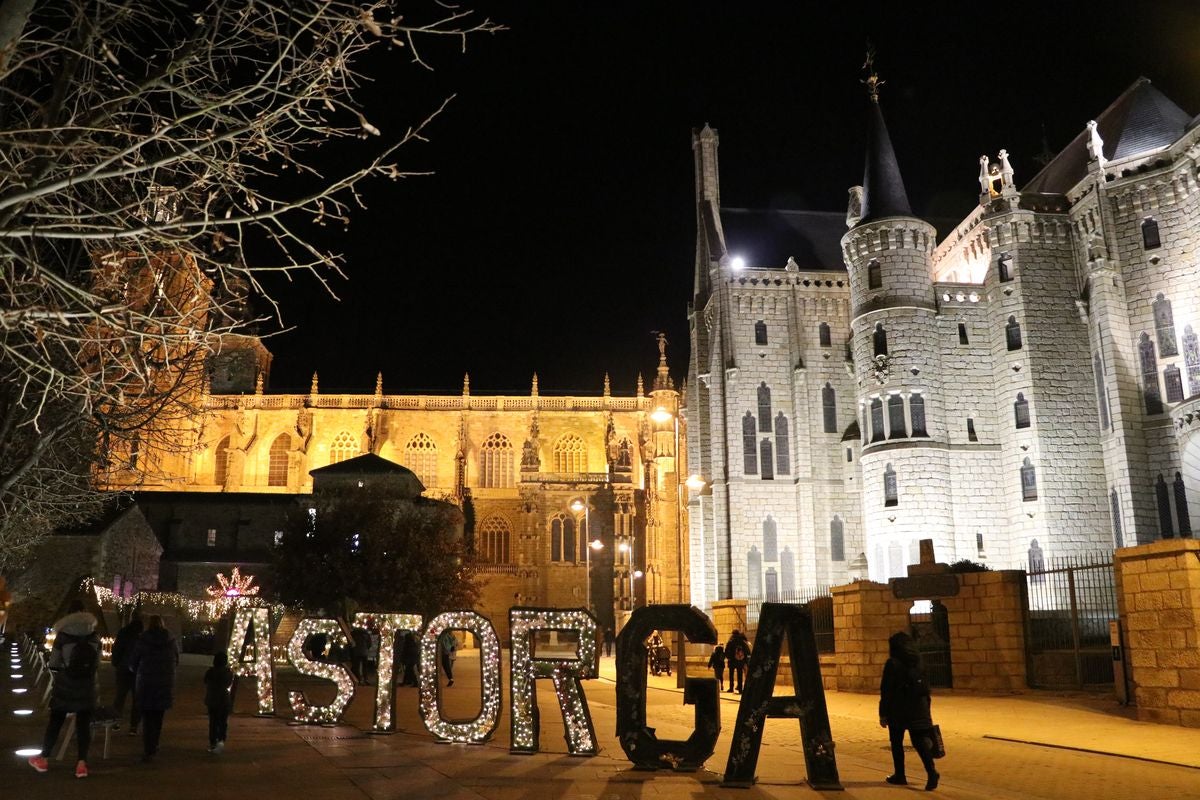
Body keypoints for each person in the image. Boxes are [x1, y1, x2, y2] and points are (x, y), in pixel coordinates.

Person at [28, 600, 101, 778]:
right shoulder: (94, 636)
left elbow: (53, 663)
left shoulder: (63, 636)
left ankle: (44, 758)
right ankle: (81, 764)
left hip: (66, 686)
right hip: (87, 686)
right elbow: (96, 663)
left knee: (56, 721)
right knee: (83, 725)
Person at [879, 631, 939, 791]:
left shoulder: (892, 663)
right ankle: (931, 771)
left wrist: (883, 713)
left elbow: (886, 690)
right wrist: (927, 709)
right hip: (918, 708)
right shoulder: (919, 662)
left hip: (898, 708)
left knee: (896, 743)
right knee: (919, 742)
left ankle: (900, 775)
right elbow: (926, 688)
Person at [129, 615, 179, 761]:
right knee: (158, 716)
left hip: (146, 682)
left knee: (147, 716)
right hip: (164, 682)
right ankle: (154, 743)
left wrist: (137, 669)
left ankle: (148, 748)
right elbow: (176, 660)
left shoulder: (142, 640)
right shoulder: (171, 641)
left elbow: (133, 662)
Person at [110, 613, 143, 734]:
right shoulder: (142, 636)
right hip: (138, 671)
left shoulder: (124, 632)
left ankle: (115, 722)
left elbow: (117, 649)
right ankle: (133, 726)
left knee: (120, 697)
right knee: (137, 699)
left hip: (123, 669)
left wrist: (116, 663)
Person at [204, 652, 234, 754]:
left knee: (213, 722)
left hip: (212, 700)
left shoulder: (210, 672)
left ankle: (213, 742)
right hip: (224, 700)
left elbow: (205, 681)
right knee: (223, 722)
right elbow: (229, 683)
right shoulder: (228, 672)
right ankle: (221, 740)